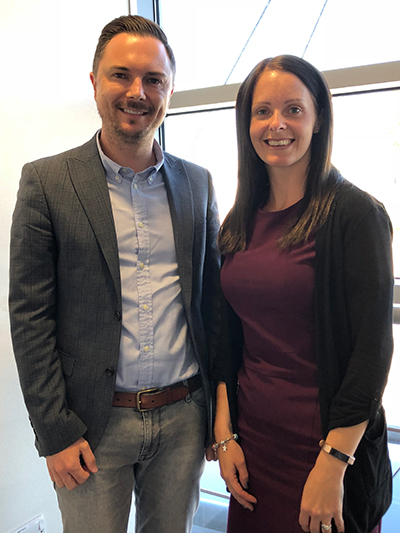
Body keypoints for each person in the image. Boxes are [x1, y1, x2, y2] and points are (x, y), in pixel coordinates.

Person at [9, 15, 220, 533]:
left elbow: (211, 305)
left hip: (184, 419)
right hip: (90, 429)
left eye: (154, 79)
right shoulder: (46, 182)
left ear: (169, 90)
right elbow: (30, 316)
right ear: (94, 81)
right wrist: (54, 432)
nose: (137, 92)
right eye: (121, 75)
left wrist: (220, 411)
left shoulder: (198, 184)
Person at [212, 55, 393, 533]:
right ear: (246, 124)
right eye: (262, 111)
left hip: (324, 451)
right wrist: (225, 435)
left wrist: (333, 463)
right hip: (253, 446)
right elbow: (227, 341)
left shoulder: (356, 215)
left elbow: (373, 351)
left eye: (293, 109)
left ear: (318, 119)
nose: (277, 124)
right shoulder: (238, 221)